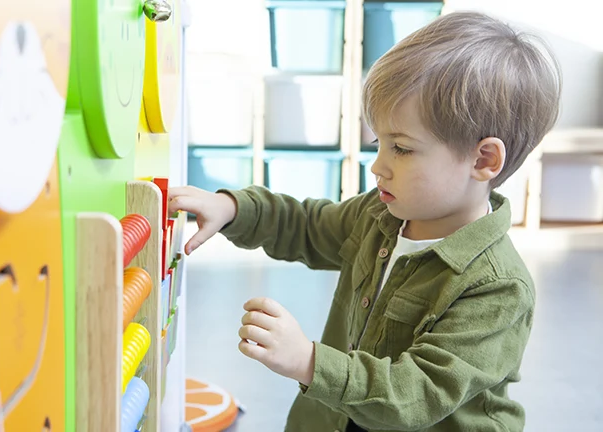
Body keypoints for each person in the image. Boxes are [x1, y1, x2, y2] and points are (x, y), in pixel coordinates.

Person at [168, 10, 561, 432]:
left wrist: (308, 361)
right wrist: (234, 209)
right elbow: (307, 225)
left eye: (403, 149)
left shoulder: (497, 289)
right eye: (380, 143)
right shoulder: (381, 214)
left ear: (483, 160)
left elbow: (416, 394)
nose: (379, 167)